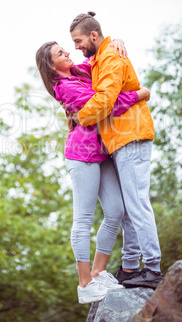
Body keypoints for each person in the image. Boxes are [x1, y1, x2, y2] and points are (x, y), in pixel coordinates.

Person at [35, 41, 150, 303]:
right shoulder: (64, 86)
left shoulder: (80, 72)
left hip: (102, 152)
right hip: (82, 156)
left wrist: (113, 40)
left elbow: (100, 57)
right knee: (83, 218)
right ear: (52, 66)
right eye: (60, 53)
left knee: (116, 210)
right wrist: (138, 95)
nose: (67, 52)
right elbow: (103, 106)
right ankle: (85, 284)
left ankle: (98, 272)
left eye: (65, 48)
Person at [69, 12, 164, 289]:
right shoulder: (99, 59)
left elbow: (105, 101)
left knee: (136, 203)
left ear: (93, 36)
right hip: (121, 140)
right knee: (127, 208)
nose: (76, 47)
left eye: (78, 41)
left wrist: (79, 117)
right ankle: (131, 267)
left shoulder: (109, 57)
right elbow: (71, 72)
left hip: (131, 137)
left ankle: (153, 268)